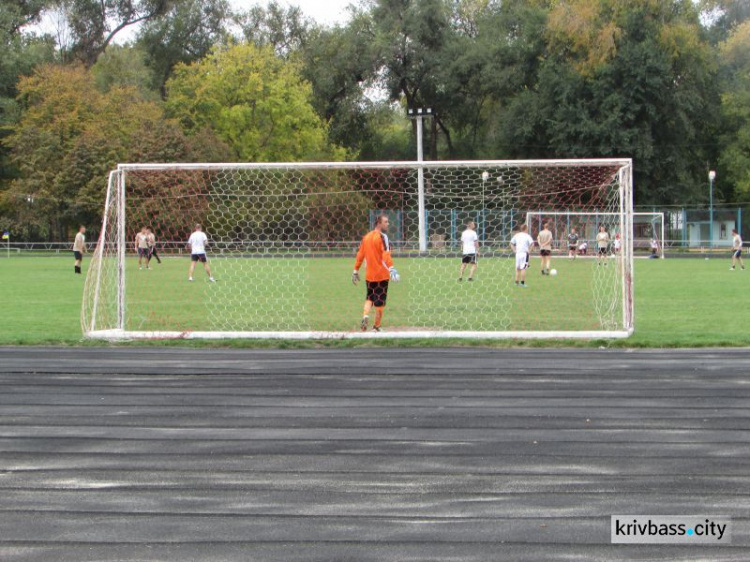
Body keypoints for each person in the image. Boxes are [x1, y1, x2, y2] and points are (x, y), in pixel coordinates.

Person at [352, 214, 400, 332]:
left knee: (369, 297)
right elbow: (386, 254)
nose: (388, 224)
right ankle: (376, 327)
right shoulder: (383, 237)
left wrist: (355, 270)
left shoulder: (366, 237)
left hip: (369, 275)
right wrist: (392, 268)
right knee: (380, 302)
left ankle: (365, 315)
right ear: (379, 223)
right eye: (386, 222)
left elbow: (360, 255)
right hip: (381, 275)